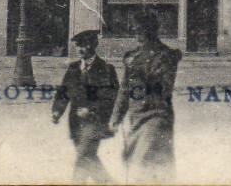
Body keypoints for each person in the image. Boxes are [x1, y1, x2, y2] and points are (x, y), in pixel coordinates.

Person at [109, 10, 182, 182]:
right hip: (136, 119)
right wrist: (115, 118)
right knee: (139, 165)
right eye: (135, 30)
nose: (137, 33)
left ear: (151, 30)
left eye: (140, 30)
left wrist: (140, 73)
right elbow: (124, 90)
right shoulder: (131, 57)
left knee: (148, 163)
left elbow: (164, 88)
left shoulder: (167, 55)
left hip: (156, 116)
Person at [51, 30, 117, 184]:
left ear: (93, 46)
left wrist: (91, 109)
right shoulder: (73, 68)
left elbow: (111, 97)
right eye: (78, 46)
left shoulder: (106, 68)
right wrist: (56, 111)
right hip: (75, 122)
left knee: (83, 156)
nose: (80, 49)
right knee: (88, 158)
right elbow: (64, 92)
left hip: (95, 122)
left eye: (84, 46)